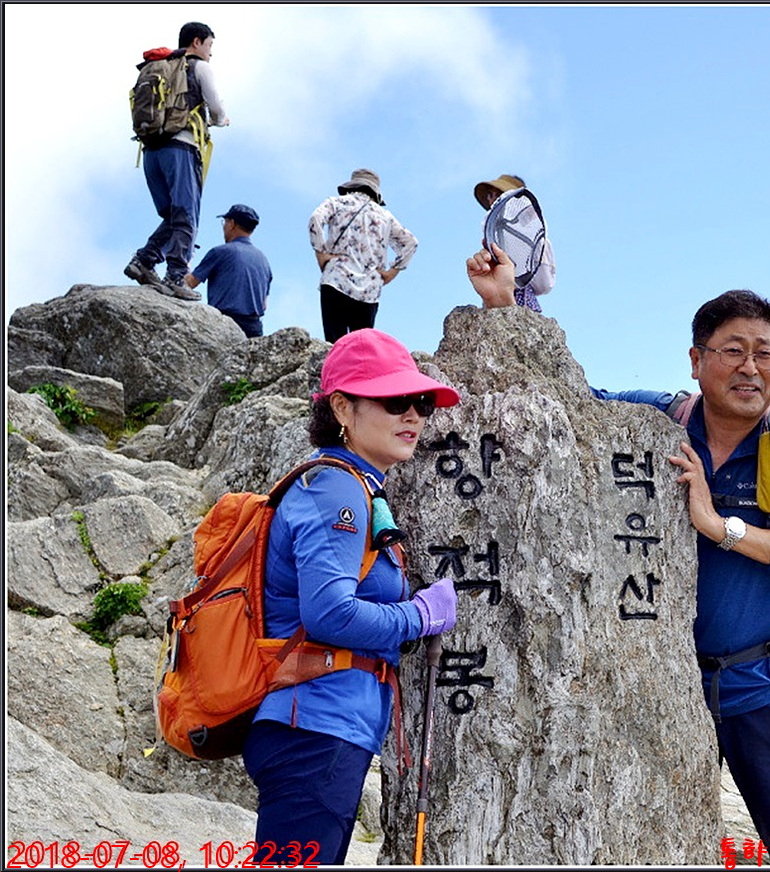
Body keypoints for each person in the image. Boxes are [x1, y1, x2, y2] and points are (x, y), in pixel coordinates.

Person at [590, 288, 770, 861]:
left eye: (765, 353)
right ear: (696, 359)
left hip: (768, 685)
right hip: (666, 687)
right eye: (733, 350)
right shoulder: (660, 419)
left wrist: (717, 524)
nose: (750, 367)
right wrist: (507, 305)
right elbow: (567, 392)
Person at [243, 328, 460, 864]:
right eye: (394, 400)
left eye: (422, 402)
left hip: (324, 731)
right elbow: (329, 614)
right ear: (342, 407)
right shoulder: (337, 487)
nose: (413, 415)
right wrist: (419, 616)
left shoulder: (359, 485)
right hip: (314, 732)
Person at [124, 21, 229, 301]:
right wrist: (221, 120)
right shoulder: (198, 67)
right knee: (186, 215)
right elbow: (217, 108)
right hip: (181, 148)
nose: (211, 52)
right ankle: (175, 275)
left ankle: (144, 261)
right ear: (196, 42)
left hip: (151, 150)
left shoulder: (162, 67)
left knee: (172, 215)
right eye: (209, 45)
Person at [308, 169, 418, 343]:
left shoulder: (336, 203)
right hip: (369, 291)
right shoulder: (385, 216)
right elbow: (411, 242)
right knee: (360, 348)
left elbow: (315, 219)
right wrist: (391, 272)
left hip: (336, 280)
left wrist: (321, 253)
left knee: (335, 345)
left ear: (351, 186)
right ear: (375, 193)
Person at [183, 204, 272, 337]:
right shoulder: (264, 261)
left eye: (225, 222)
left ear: (232, 224)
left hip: (223, 325)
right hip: (254, 330)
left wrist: (186, 262)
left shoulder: (220, 252)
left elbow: (188, 283)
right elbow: (264, 305)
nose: (224, 227)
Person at [473, 173, 556, 312]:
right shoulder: (496, 231)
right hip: (500, 303)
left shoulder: (532, 237)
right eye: (490, 195)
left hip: (520, 303)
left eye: (498, 194)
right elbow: (545, 284)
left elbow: (545, 283)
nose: (492, 199)